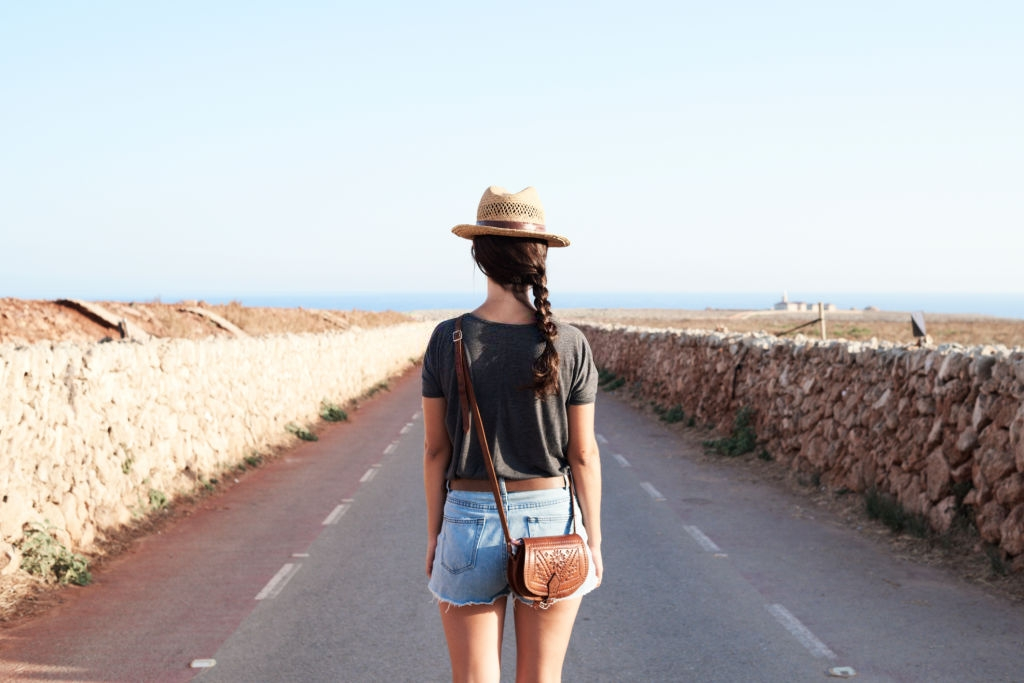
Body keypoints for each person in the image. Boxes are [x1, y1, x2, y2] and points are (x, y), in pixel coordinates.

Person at [422, 186, 603, 683]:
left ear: (479, 256)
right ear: (540, 257)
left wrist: (436, 534)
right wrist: (595, 539)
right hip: (554, 519)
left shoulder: (447, 338)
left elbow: (435, 450)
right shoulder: (570, 343)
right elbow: (583, 454)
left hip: (468, 519)